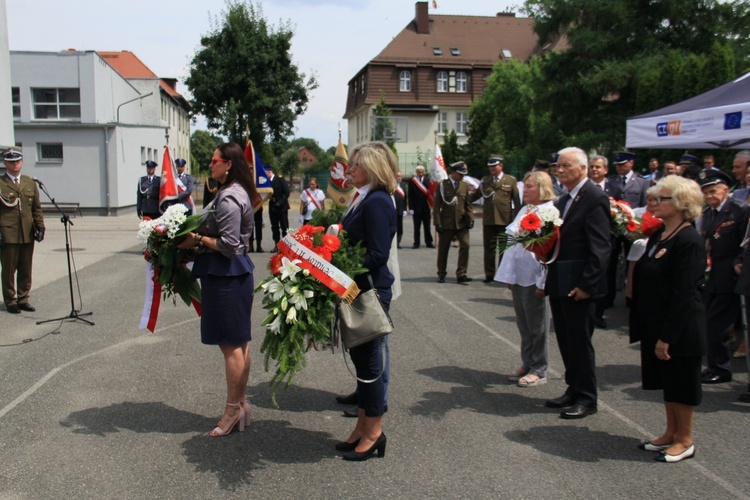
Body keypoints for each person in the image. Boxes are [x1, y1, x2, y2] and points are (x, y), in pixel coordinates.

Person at [177, 142, 260, 437]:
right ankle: (241, 404)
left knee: (231, 345)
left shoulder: (228, 198)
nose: (210, 165)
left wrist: (197, 239)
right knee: (239, 343)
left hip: (226, 275)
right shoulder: (234, 192)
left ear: (228, 165)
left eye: (214, 161)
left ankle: (231, 410)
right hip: (231, 275)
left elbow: (231, 245)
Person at [631, 176, 706, 463]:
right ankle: (670, 431)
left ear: (680, 203)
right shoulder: (660, 234)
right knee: (668, 380)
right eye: (653, 198)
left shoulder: (688, 240)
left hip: (680, 327)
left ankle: (685, 439)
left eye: (660, 199)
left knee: (682, 382)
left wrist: (667, 336)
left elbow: (684, 294)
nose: (654, 203)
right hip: (658, 321)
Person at [335, 141, 396, 461]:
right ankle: (362, 427)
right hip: (355, 288)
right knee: (361, 362)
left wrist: (336, 266)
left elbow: (377, 254)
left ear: (370, 168)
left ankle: (374, 434)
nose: (349, 169)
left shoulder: (377, 201)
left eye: (355, 165)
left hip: (368, 290)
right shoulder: (366, 198)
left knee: (370, 365)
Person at [544, 147, 611, 419]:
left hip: (579, 284)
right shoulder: (563, 200)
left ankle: (587, 396)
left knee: (580, 342)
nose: (559, 171)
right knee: (566, 338)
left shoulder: (594, 197)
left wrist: (587, 284)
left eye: (565, 166)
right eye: (558, 166)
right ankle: (573, 388)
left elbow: (601, 247)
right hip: (561, 279)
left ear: (582, 169)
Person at [496, 171, 554, 387]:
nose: (525, 190)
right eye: (525, 186)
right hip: (520, 274)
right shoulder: (524, 210)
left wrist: (543, 283)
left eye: (530, 186)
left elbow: (547, 252)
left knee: (538, 326)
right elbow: (512, 246)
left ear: (542, 188)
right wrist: (510, 276)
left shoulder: (549, 213)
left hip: (535, 276)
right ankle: (528, 362)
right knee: (524, 324)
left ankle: (540, 368)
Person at [698, 169, 748, 384]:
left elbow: (744, 245)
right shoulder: (707, 213)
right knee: (709, 322)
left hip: (730, 274)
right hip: (711, 274)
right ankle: (714, 365)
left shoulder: (739, 211)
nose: (709, 196)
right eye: (706, 192)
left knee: (718, 324)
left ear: (726, 190)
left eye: (713, 191)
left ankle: (721, 368)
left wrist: (740, 264)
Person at [0, 149, 45, 314]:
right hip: (8, 234)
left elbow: (36, 209)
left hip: (27, 233)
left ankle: (23, 298)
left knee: (26, 268)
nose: (15, 164)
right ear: (5, 163)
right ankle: (11, 301)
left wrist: (40, 226)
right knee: (8, 270)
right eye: (11, 161)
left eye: (17, 161)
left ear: (22, 162)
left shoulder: (29, 182)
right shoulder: (1, 183)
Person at [471, 155, 521, 283]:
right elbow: (476, 195)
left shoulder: (510, 180)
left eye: (494, 166)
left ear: (501, 166)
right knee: (489, 248)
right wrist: (461, 201)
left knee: (504, 249)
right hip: (489, 219)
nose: (491, 168)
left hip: (505, 219)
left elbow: (516, 200)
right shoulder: (485, 181)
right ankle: (489, 274)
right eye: (490, 166)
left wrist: (518, 218)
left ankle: (502, 274)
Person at [589, 154, 620, 329]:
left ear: (605, 170)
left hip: (609, 238)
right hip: (588, 239)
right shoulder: (583, 188)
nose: (594, 170)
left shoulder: (614, 188)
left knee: (606, 275)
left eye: (598, 167)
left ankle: (599, 313)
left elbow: (624, 209)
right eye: (592, 167)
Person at [433, 161, 474, 284]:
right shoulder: (442, 185)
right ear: (453, 173)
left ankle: (461, 273)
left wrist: (471, 218)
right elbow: (436, 206)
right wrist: (437, 223)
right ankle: (441, 273)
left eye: (463, 174)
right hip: (447, 222)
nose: (462, 177)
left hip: (461, 222)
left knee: (465, 245)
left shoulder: (464, 186)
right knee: (443, 249)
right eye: (460, 174)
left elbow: (468, 205)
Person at [407, 165, 434, 249]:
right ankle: (416, 243)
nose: (421, 173)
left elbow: (431, 194)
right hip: (416, 208)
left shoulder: (428, 181)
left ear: (424, 172)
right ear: (416, 173)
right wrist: (411, 208)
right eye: (419, 172)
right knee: (417, 227)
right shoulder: (412, 182)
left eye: (422, 172)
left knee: (427, 226)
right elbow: (410, 196)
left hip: (426, 208)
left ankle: (429, 242)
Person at [267, 165, 290, 252]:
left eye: (266, 173)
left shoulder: (279, 179)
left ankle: (286, 246)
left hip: (282, 207)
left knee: (284, 227)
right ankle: (277, 245)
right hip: (272, 206)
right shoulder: (267, 182)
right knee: (274, 227)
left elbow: (286, 192)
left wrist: (280, 202)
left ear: (269, 172)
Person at [393, 172, 407, 249]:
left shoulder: (403, 185)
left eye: (400, 176)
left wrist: (405, 209)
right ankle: (393, 243)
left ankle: (398, 242)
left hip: (401, 210)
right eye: (398, 176)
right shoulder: (392, 185)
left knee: (400, 227)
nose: (399, 178)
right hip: (393, 209)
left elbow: (405, 198)